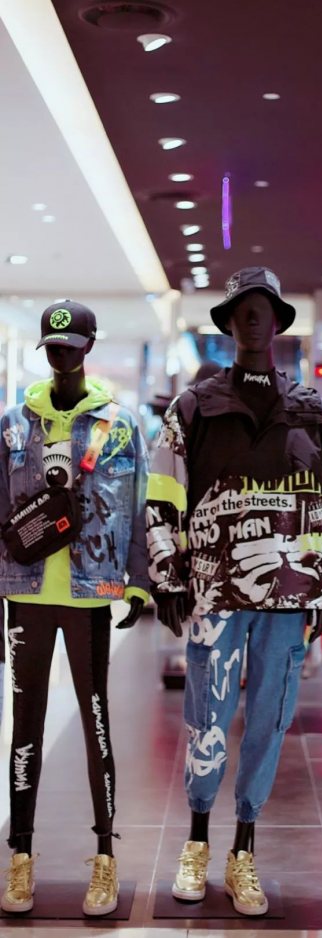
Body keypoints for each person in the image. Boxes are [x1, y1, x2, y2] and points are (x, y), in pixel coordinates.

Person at [146, 267, 322, 915]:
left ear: (279, 321)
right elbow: (163, 491)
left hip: (288, 596)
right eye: (243, 308)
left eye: (264, 307)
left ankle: (244, 851)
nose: (254, 317)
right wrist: (167, 574)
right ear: (229, 321)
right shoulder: (192, 408)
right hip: (214, 593)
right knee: (206, 716)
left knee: (269, 718)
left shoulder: (313, 413)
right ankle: (197, 840)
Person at [0, 301, 151, 916]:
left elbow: (139, 503)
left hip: (91, 594)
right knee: (25, 725)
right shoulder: (13, 425)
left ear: (89, 348)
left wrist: (138, 583)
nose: (62, 355)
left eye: (71, 346)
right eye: (54, 347)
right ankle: (20, 856)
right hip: (26, 593)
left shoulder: (120, 425)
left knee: (96, 725)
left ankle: (106, 856)